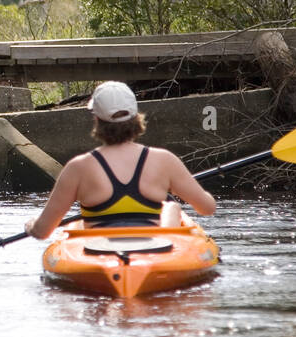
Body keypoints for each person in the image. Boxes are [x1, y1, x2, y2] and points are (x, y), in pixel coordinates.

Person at [25, 81, 216, 239]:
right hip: (155, 249)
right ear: (135, 116)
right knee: (172, 206)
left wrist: (31, 225)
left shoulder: (78, 167)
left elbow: (42, 232)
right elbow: (207, 208)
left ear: (97, 120)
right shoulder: (164, 161)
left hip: (98, 252)